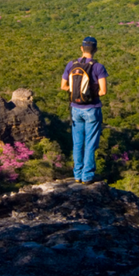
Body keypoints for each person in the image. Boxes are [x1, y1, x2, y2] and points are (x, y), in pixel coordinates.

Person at [60, 36, 108, 184]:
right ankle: (87, 176)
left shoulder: (71, 64)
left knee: (78, 142)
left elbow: (63, 86)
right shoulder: (98, 67)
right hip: (92, 109)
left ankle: (77, 174)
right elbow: (103, 91)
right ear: (95, 50)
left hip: (75, 109)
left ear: (81, 48)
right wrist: (89, 95)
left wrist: (77, 93)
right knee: (90, 143)